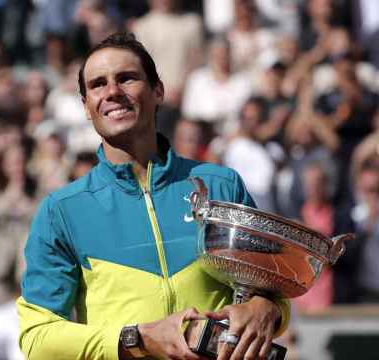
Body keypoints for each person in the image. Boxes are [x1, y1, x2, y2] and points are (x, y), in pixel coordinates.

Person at [17, 32, 290, 360]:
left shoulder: (221, 185)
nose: (113, 92)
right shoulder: (61, 211)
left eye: (127, 78)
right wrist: (138, 338)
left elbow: (273, 293)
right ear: (86, 107)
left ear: (157, 90)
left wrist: (265, 308)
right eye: (98, 84)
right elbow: (37, 337)